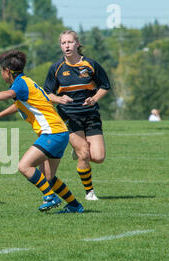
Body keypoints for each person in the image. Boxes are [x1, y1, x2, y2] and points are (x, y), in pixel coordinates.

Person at [0, 50, 84, 213]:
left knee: (24, 166)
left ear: (7, 70)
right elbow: (18, 105)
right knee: (48, 178)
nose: (1, 74)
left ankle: (50, 197)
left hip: (52, 132)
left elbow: (10, 95)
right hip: (60, 132)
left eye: (1, 70)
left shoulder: (20, 84)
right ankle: (74, 205)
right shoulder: (26, 82)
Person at [43, 30, 110, 201]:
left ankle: (77, 150)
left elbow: (105, 86)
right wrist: (59, 99)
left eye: (70, 42)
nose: (67, 46)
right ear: (60, 46)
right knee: (84, 154)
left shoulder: (90, 65)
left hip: (91, 115)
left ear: (77, 44)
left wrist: (94, 99)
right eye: (63, 43)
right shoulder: (56, 68)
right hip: (69, 117)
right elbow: (47, 94)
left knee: (99, 157)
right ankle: (90, 192)